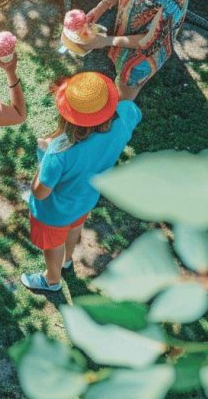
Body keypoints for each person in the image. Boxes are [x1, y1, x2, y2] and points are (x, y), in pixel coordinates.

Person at [21, 73, 142, 293]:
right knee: (74, 226)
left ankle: (52, 280)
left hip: (53, 213)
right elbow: (133, 111)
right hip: (86, 199)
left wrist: (42, 155)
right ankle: (68, 260)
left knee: (52, 244)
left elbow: (40, 193)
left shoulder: (58, 151)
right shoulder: (124, 116)